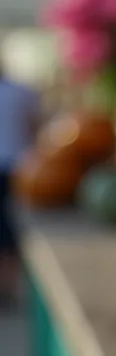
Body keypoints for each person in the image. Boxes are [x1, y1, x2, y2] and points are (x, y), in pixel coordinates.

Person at [0, 68, 40, 302]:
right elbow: (35, 128)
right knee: (11, 225)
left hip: (15, 167)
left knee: (6, 226)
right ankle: (9, 283)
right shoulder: (22, 92)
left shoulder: (21, 92)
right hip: (20, 166)